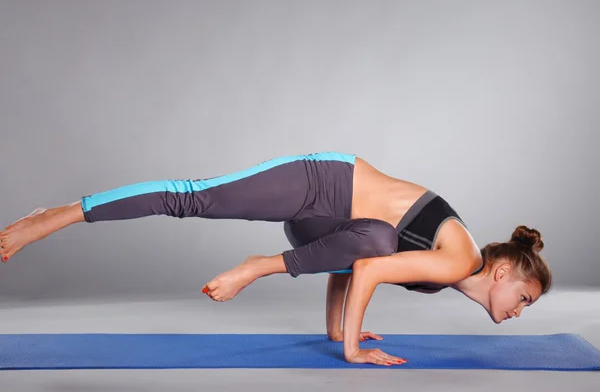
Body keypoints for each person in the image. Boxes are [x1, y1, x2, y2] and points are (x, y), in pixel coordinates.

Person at [0, 151, 552, 366]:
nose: (519, 310)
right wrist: (355, 352)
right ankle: (61, 214)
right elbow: (369, 268)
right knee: (193, 196)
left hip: (334, 225)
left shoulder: (452, 270)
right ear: (501, 272)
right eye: (523, 298)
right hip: (321, 182)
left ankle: (263, 267)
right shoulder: (458, 261)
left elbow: (363, 251)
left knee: (382, 241)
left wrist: (337, 331)